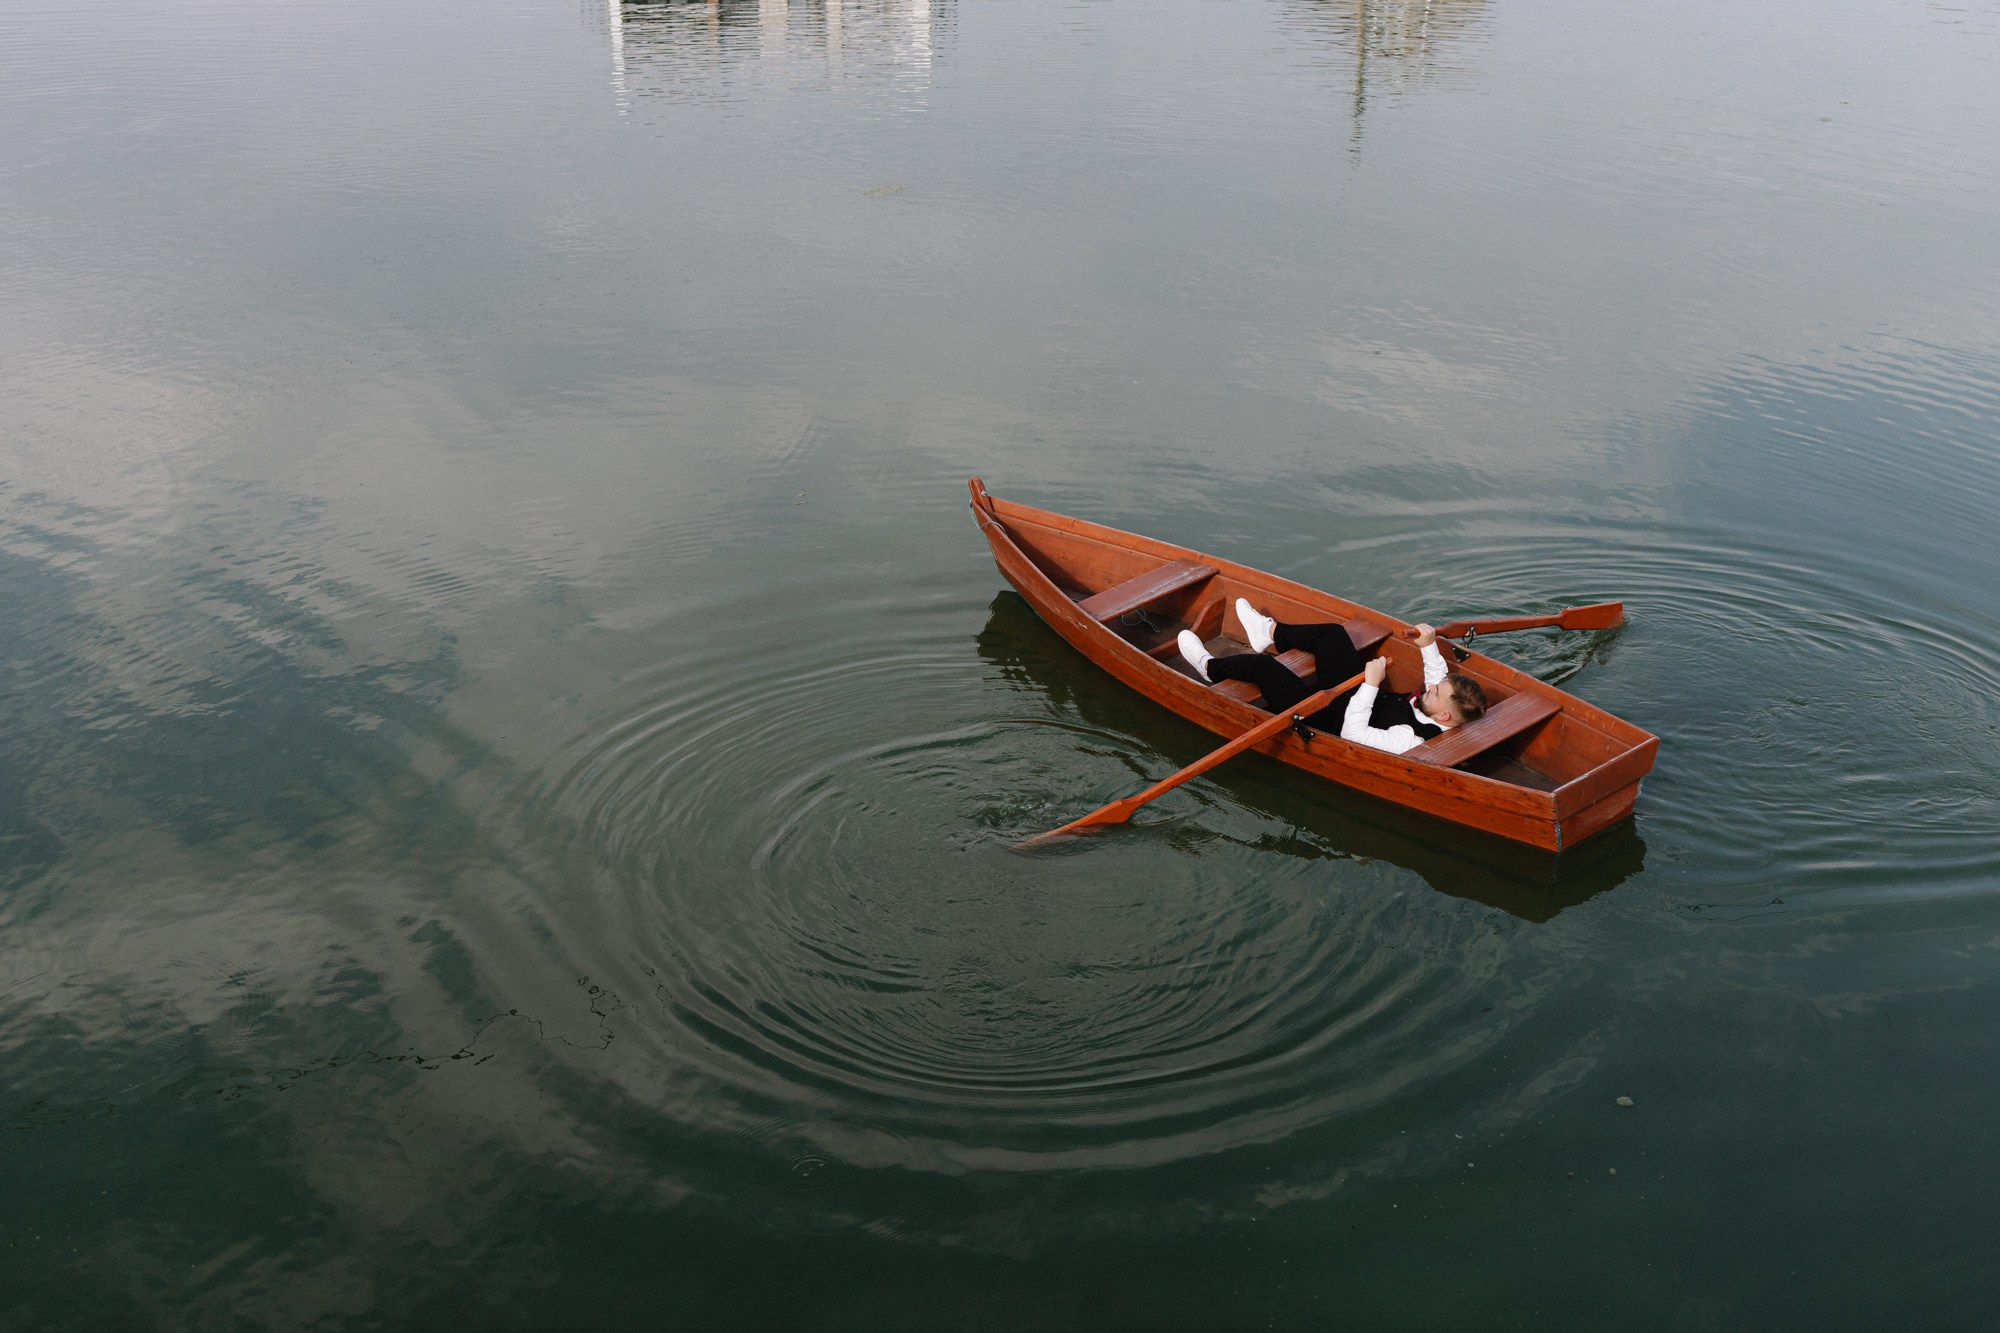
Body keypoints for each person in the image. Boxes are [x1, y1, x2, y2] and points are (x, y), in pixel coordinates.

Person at [1177, 598, 1488, 755]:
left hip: (1325, 718)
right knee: (1334, 636)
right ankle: (1267, 632)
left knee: (1263, 667)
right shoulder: (1444, 708)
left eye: (1434, 692)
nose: (1430, 688)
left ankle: (1208, 668)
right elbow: (1439, 677)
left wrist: (1370, 684)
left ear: (1445, 714)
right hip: (1350, 696)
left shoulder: (1410, 738)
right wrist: (1429, 645)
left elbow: (1353, 734)